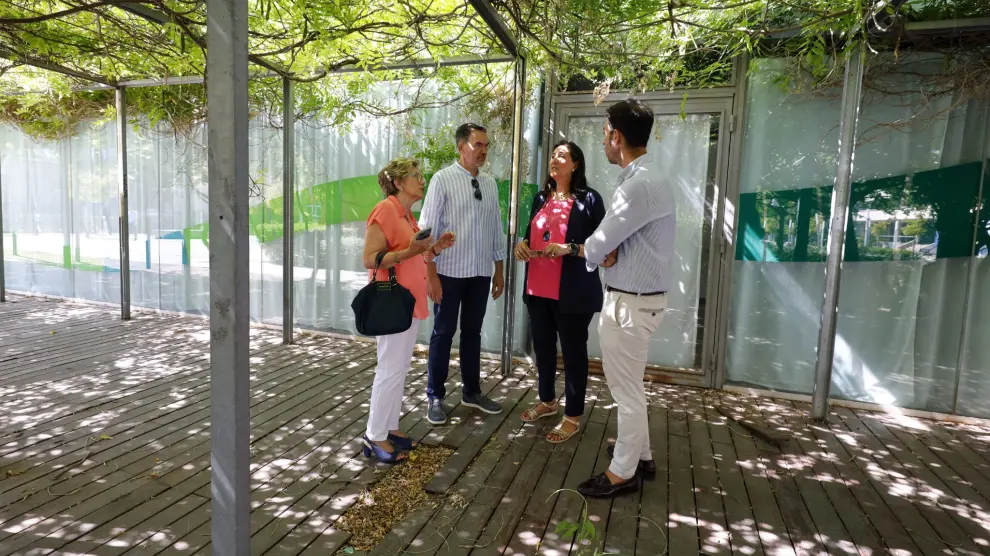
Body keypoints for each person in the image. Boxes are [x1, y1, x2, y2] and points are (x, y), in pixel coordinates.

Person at [573, 99, 675, 498]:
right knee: (632, 387)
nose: (603, 142)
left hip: (630, 303)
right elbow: (612, 244)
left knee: (626, 393)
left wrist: (592, 250)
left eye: (604, 134)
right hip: (637, 300)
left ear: (616, 136)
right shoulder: (648, 178)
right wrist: (604, 250)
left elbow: (599, 244)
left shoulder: (638, 186)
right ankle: (642, 456)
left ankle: (622, 473)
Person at [513, 141, 609, 443]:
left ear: (576, 164)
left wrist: (569, 248)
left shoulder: (589, 200)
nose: (555, 159)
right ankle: (547, 402)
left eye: (562, 156)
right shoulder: (541, 197)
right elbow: (530, 236)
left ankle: (573, 416)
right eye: (553, 155)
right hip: (537, 288)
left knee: (573, 354)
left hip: (573, 292)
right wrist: (522, 246)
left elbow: (604, 246)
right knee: (543, 350)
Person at [361, 157, 455, 463]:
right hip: (392, 302)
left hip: (408, 302)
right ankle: (374, 435)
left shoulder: (406, 215)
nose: (422, 179)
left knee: (398, 368)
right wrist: (410, 251)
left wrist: (435, 248)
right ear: (399, 183)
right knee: (389, 369)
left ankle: (389, 428)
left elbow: (415, 255)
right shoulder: (385, 210)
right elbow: (370, 258)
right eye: (415, 175)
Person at [418, 123, 506, 425]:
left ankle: (472, 392)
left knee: (472, 332)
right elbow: (427, 231)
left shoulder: (490, 183)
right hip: (449, 272)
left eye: (486, 145)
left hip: (480, 273)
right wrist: (431, 274)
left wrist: (498, 270)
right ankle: (435, 396)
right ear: (461, 147)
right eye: (477, 144)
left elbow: (495, 228)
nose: (483, 151)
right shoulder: (442, 179)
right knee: (443, 333)